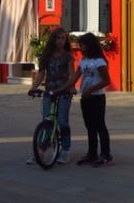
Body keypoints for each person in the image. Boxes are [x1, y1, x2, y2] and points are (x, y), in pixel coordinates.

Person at [55, 31, 113, 167]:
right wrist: (62, 89)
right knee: (89, 126)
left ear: (89, 45)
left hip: (97, 98)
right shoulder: (83, 61)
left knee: (100, 126)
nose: (80, 48)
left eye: (82, 45)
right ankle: (92, 153)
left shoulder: (99, 61)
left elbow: (106, 80)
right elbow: (75, 77)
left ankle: (106, 154)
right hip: (85, 98)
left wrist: (91, 90)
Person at [27, 26, 75, 165]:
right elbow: (41, 74)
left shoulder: (68, 56)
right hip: (49, 92)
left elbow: (72, 75)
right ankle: (40, 151)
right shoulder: (46, 56)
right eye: (57, 38)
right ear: (53, 40)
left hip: (64, 92)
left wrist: (71, 88)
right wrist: (33, 88)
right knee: (47, 121)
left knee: (62, 121)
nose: (60, 41)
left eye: (63, 38)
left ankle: (65, 150)